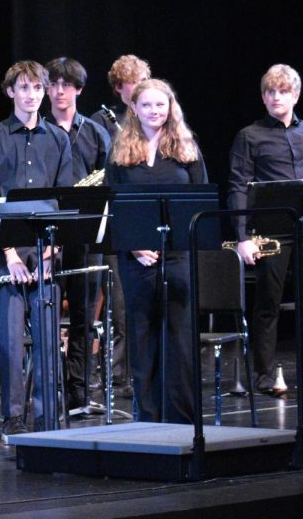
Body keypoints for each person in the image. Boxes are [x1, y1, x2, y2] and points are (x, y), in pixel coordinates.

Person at [227, 64, 303, 393]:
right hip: (269, 230)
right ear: (263, 97)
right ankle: (265, 374)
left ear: (296, 95)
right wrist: (242, 237)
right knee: (268, 302)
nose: (276, 97)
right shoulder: (249, 136)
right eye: (270, 91)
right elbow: (238, 187)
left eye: (283, 91)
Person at [0, 60, 75, 435]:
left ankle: (48, 414)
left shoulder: (58, 139)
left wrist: (51, 253)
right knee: (12, 339)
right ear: (10, 92)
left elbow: (63, 201)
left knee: (49, 338)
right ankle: (13, 417)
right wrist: (11, 256)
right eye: (24, 88)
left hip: (46, 250)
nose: (32, 95)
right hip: (8, 254)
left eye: (38, 89)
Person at [106, 79, 206, 424]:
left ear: (170, 106)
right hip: (137, 258)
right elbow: (112, 207)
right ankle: (147, 417)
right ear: (134, 108)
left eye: (160, 105)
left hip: (178, 256)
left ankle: (182, 419)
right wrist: (134, 245)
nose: (154, 111)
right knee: (142, 337)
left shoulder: (187, 147)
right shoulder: (120, 152)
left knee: (179, 339)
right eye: (147, 105)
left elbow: (200, 205)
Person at [45, 57, 112, 412]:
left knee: (86, 316)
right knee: (48, 315)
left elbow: (107, 181)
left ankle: (79, 392)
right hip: (48, 237)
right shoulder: (37, 132)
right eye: (53, 85)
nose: (59, 92)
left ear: (79, 90)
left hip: (86, 235)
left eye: (66, 85)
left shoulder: (96, 132)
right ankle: (48, 390)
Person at [88, 54, 151, 394]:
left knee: (140, 304)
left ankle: (141, 372)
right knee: (119, 306)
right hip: (113, 225)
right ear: (118, 88)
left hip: (143, 219)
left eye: (144, 80)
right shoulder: (103, 122)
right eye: (134, 84)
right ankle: (117, 375)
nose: (141, 88)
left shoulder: (152, 118)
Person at [89, 54, 151, 137]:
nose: (141, 86)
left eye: (143, 80)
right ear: (118, 87)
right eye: (133, 82)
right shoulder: (101, 119)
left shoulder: (156, 114)